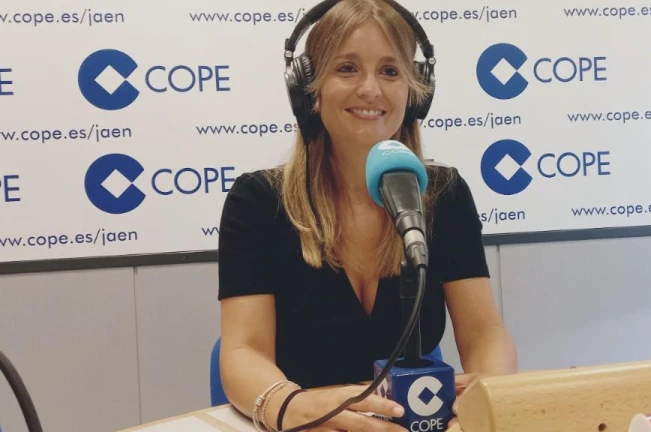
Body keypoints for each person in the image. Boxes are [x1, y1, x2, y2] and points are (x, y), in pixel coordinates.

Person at [216, 0, 518, 431]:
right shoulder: (258, 201)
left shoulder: (444, 195)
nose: (370, 89)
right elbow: (243, 351)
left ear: (414, 93)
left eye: (390, 71)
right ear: (309, 89)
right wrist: (294, 408)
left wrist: (485, 398)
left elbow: (484, 334)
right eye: (347, 68)